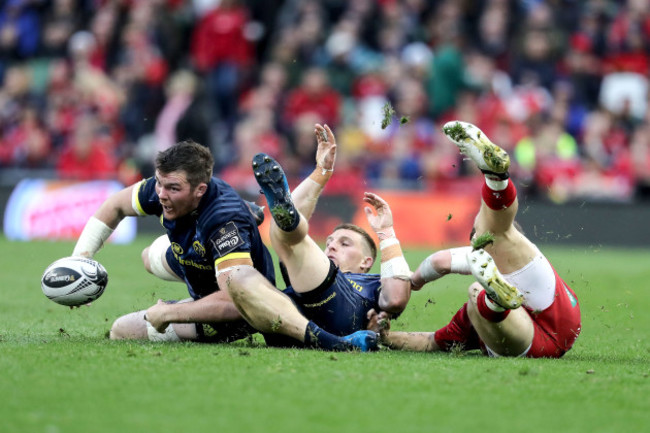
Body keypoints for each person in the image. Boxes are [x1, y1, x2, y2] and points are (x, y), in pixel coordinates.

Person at [72, 139, 376, 351]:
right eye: (159, 183)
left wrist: (169, 313)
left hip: (237, 305)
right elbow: (113, 206)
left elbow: (232, 301)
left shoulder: (222, 219)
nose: (161, 194)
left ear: (200, 189)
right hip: (197, 256)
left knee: (121, 331)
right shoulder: (163, 187)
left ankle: (244, 227)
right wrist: (80, 259)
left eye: (172, 188)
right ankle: (247, 217)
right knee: (146, 256)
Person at [369, 121, 581, 358]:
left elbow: (440, 262)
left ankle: (494, 302)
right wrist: (383, 337)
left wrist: (412, 282)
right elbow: (431, 342)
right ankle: (496, 179)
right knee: (496, 241)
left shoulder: (480, 262)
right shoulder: (510, 256)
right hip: (558, 313)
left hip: (532, 336)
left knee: (479, 278)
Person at [250, 123, 411, 347]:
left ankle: (278, 216)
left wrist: (386, 233)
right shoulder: (305, 271)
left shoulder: (374, 283)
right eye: (330, 242)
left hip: (343, 314)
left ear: (366, 262)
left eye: (345, 244)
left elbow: (395, 299)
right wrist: (322, 170)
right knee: (243, 283)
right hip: (295, 312)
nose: (332, 247)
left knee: (286, 238)